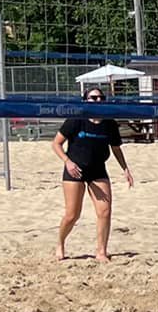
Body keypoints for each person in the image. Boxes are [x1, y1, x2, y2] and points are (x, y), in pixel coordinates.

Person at [52, 84, 133, 262]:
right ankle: (60, 243)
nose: (98, 100)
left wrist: (125, 169)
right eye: (93, 98)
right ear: (85, 101)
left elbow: (116, 148)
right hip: (75, 170)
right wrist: (67, 162)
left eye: (101, 98)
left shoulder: (109, 123)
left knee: (105, 211)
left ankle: (101, 251)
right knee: (72, 214)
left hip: (97, 170)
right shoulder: (76, 119)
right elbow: (56, 144)